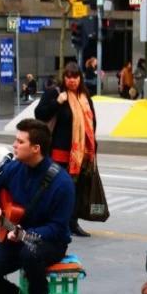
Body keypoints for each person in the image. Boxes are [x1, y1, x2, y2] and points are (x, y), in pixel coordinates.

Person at [0, 118, 75, 294]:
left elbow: (58, 228)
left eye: (20, 142)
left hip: (50, 242)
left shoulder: (62, 183)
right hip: (15, 236)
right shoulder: (14, 167)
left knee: (30, 254)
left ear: (36, 148)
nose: (14, 145)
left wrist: (26, 235)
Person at [35, 62, 97, 237]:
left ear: (80, 78)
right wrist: (57, 102)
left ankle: (72, 223)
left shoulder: (85, 97)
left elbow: (92, 123)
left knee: (76, 190)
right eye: (68, 76)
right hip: (59, 153)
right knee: (58, 189)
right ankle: (54, 223)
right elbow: (39, 114)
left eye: (75, 76)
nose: (72, 80)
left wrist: (92, 148)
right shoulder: (56, 93)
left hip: (81, 154)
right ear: (64, 77)